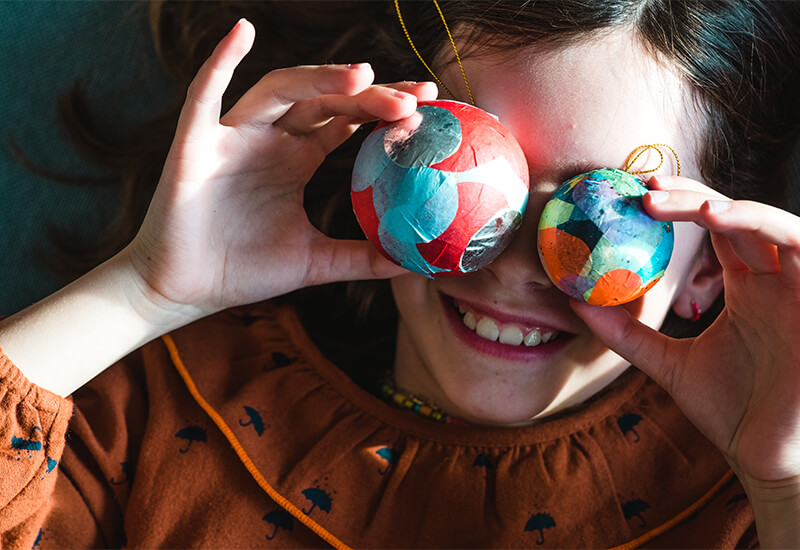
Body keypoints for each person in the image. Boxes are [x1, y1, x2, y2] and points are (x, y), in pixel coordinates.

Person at [1, 1, 799, 547]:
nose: (511, 266)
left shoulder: (747, 504)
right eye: (461, 170)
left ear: (711, 267)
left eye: (609, 213)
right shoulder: (172, 401)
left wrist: (784, 490)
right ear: (377, 152)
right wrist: (140, 294)